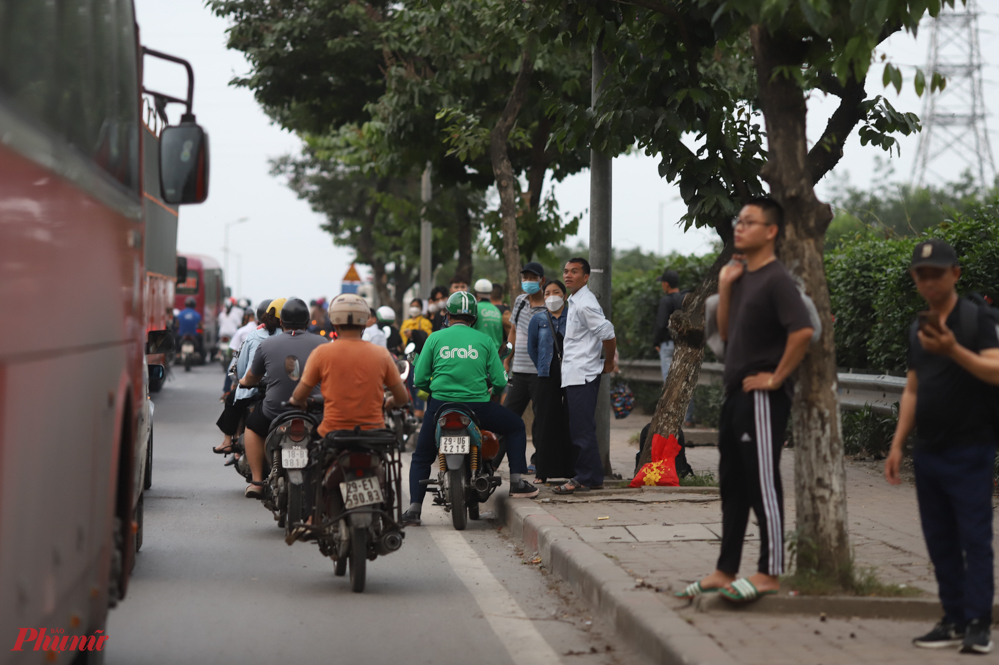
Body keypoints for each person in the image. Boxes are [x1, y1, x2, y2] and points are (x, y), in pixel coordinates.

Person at [676, 198, 814, 604]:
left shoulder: (776, 279)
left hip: (762, 398)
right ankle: (725, 569)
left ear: (771, 231)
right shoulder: (744, 277)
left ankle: (770, 571)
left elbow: (803, 330)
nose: (740, 227)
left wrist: (777, 377)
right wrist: (723, 286)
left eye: (750, 222)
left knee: (762, 482)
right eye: (740, 221)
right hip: (736, 393)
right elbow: (728, 335)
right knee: (733, 483)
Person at [883, 239, 999, 654]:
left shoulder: (977, 319)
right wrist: (898, 444)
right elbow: (913, 388)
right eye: (922, 275)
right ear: (915, 280)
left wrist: (954, 350)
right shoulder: (918, 327)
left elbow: (996, 368)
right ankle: (952, 617)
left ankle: (978, 623)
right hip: (927, 450)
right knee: (939, 540)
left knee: (974, 537)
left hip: (971, 448)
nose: (929, 281)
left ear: (955, 274)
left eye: (937, 273)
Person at [402, 292, 540, 526]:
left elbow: (421, 378)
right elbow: (498, 382)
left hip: (440, 407)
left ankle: (415, 509)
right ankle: (517, 482)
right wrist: (488, 387)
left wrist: (435, 388)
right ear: (473, 318)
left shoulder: (435, 339)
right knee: (516, 426)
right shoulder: (485, 341)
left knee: (422, 457)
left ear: (447, 315)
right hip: (477, 407)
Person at [239, 298, 328, 499]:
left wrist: (243, 382)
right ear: (307, 322)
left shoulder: (267, 343)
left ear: (281, 322)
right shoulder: (323, 344)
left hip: (275, 410)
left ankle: (256, 481)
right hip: (313, 410)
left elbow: (252, 377)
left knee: (252, 426)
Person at [290, 294, 409, 434]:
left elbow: (299, 396)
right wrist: (391, 403)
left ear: (334, 322)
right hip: (373, 434)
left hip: (332, 434)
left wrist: (300, 402)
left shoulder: (321, 353)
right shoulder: (382, 354)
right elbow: (402, 398)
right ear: (365, 322)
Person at [553, 258, 617, 494]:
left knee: (582, 429)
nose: (568, 275)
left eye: (575, 272)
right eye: (566, 271)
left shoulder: (585, 303)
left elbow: (608, 333)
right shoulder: (575, 300)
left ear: (586, 277)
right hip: (574, 374)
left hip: (582, 374)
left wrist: (609, 361)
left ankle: (587, 477)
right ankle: (590, 476)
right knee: (578, 427)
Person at [526, 280, 575, 483]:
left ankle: (571, 470)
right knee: (545, 421)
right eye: (547, 293)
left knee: (570, 419)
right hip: (546, 374)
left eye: (556, 292)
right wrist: (543, 366)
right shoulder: (537, 319)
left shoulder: (573, 316)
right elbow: (532, 348)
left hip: (572, 374)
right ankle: (543, 471)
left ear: (564, 295)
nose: (551, 296)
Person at [214, 298, 276, 456]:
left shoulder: (252, 335)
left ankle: (228, 441)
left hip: (255, 387)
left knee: (232, 399)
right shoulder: (290, 336)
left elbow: (239, 366)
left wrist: (242, 380)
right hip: (283, 391)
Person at [504, 262, 547, 466]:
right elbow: (512, 331)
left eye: (532, 278)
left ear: (542, 281)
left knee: (541, 421)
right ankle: (492, 462)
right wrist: (507, 359)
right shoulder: (520, 301)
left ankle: (539, 462)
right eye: (525, 278)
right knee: (507, 417)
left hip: (541, 372)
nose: (528, 282)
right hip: (519, 371)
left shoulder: (550, 304)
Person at [653, 269, 696, 426]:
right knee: (685, 380)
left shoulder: (666, 301)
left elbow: (660, 323)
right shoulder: (685, 298)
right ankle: (688, 418)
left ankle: (670, 419)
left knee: (669, 382)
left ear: (666, 284)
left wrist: (656, 343)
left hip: (668, 344)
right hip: (684, 345)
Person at [473, 278, 505, 349]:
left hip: (480, 352)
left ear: (476, 294)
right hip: (496, 353)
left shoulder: (475, 308)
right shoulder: (496, 310)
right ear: (490, 293)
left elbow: (470, 331)